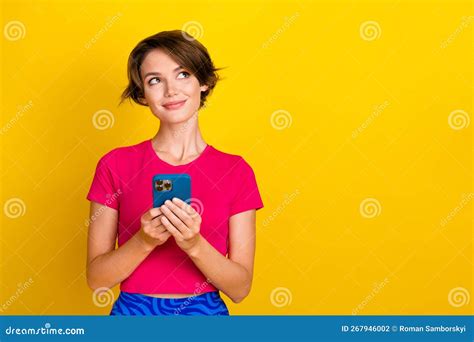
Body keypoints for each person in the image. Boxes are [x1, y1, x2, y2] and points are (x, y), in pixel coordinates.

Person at [85, 30, 264, 316]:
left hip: (205, 313)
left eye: (183, 74)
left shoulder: (236, 171)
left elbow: (240, 289)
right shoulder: (115, 165)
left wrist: (193, 244)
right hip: (133, 313)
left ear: (204, 82)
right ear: (142, 95)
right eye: (155, 80)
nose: (170, 90)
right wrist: (144, 241)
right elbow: (97, 280)